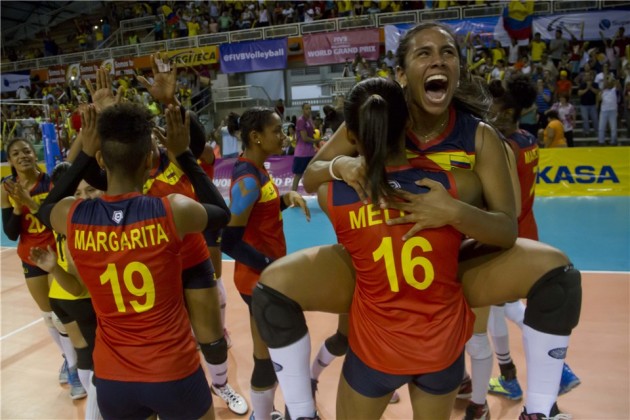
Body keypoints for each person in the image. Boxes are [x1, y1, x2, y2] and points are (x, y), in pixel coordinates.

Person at [253, 21, 581, 420]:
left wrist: (453, 212)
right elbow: (313, 172)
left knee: (558, 276)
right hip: (379, 260)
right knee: (276, 292)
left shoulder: (479, 136)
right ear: (401, 73)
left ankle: (540, 410)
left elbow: (506, 228)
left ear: (458, 70)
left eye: (447, 54)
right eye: (423, 53)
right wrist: (342, 164)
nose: (438, 60)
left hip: (451, 261)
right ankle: (302, 410)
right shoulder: (382, 110)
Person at [37, 101, 229, 420]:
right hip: (173, 370)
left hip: (114, 377)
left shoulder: (74, 216)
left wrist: (84, 153)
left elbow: (47, 208)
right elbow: (221, 213)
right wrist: (183, 154)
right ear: (151, 160)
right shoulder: (172, 211)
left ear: (101, 159)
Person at [318, 77, 480, 418]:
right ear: (408, 123)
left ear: (350, 136)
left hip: (377, 353)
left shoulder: (333, 198)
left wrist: (338, 164)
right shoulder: (457, 186)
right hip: (442, 350)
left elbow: (311, 175)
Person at [486, 76, 581, 403]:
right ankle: (518, 379)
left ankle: (530, 378)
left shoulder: (504, 148)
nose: (489, 114)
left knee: (500, 310)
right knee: (504, 309)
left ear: (506, 112)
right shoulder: (528, 140)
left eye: (493, 109)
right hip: (530, 232)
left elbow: (506, 203)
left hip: (509, 239)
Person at [220, 106, 310, 420]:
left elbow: (261, 213)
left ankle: (265, 413)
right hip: (258, 281)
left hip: (266, 277)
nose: (283, 135)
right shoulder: (247, 178)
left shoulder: (258, 170)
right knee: (267, 357)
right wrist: (269, 264)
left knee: (268, 354)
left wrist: (285, 200)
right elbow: (229, 240)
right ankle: (263, 415)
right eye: (276, 130)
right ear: (256, 137)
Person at [1, 138, 71, 387]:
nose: (23, 156)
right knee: (48, 316)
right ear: (9, 160)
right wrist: (18, 208)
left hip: (55, 253)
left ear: (35, 154)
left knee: (62, 314)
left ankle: (76, 365)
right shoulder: (6, 188)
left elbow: (58, 218)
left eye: (27, 151)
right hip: (30, 256)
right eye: (16, 153)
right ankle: (68, 358)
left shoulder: (50, 181)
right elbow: (10, 233)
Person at [291, 103, 316, 191]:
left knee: (314, 173)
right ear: (302, 110)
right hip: (301, 153)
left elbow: (313, 134)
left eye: (310, 108)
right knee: (298, 175)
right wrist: (317, 140)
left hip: (311, 152)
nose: (308, 110)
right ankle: (292, 195)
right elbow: (304, 138)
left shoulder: (309, 120)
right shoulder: (300, 120)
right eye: (306, 109)